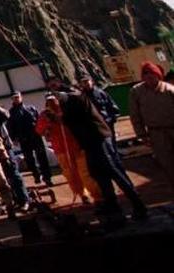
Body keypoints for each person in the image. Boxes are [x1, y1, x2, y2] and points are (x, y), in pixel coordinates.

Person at [59, 84, 148, 222]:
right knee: (99, 174)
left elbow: (72, 117)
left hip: (98, 140)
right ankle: (113, 206)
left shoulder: (78, 99)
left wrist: (61, 113)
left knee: (113, 171)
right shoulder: (75, 100)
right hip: (90, 143)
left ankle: (138, 205)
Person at [36, 94, 99, 204]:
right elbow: (39, 130)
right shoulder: (45, 115)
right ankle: (82, 194)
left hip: (76, 147)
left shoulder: (66, 110)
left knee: (85, 172)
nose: (52, 104)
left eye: (54, 101)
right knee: (71, 175)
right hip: (61, 150)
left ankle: (98, 196)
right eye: (49, 102)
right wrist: (47, 121)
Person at [129, 61, 174, 187]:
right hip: (156, 133)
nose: (149, 78)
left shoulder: (169, 89)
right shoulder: (136, 92)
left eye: (152, 75)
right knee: (167, 164)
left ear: (158, 75)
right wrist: (141, 135)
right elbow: (135, 115)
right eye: (145, 75)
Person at [7, 92, 53, 186]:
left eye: (17, 97)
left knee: (42, 157)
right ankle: (36, 175)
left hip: (35, 136)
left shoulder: (31, 108)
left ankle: (47, 177)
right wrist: (14, 138)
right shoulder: (11, 113)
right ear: (12, 100)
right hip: (23, 139)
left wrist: (43, 131)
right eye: (14, 98)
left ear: (21, 97)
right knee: (29, 159)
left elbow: (39, 120)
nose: (16, 99)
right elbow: (10, 127)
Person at [79, 73, 121, 157]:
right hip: (94, 126)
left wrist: (112, 118)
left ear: (92, 81)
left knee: (111, 143)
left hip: (107, 122)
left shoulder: (101, 93)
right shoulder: (81, 97)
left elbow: (112, 106)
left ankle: (115, 156)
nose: (86, 84)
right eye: (83, 82)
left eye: (87, 81)